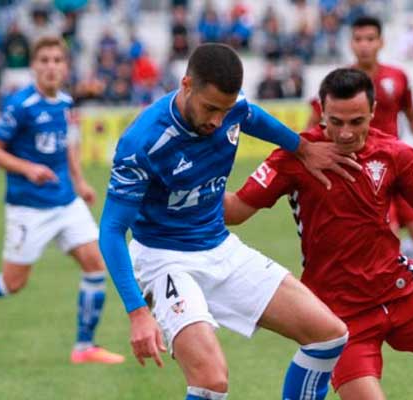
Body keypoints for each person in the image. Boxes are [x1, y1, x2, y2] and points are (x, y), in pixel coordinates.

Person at [224, 68, 413, 400]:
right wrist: (189, 185)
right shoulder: (296, 157)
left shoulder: (395, 154)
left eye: (356, 122)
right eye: (335, 121)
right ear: (321, 113)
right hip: (339, 314)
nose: (344, 133)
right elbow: (237, 210)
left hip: (400, 291)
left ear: (373, 113)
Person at [98, 43, 359, 400]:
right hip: (164, 260)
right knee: (211, 380)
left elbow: (251, 116)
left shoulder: (230, 109)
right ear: (187, 84)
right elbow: (112, 231)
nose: (217, 121)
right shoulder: (142, 143)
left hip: (220, 248)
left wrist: (302, 148)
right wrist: (137, 312)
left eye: (225, 110)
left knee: (329, 335)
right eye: (209, 109)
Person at [0, 36, 124, 365]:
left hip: (66, 203)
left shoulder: (64, 102)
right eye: (44, 60)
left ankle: (84, 347)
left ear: (65, 66)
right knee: (12, 283)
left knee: (96, 264)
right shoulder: (21, 106)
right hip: (28, 208)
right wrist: (28, 168)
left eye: (57, 60)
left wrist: (79, 183)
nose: (51, 66)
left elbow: (68, 145)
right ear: (34, 66)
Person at [307, 16, 413, 265]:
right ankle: (393, 279)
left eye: (370, 39)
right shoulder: (338, 83)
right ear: (351, 44)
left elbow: (412, 116)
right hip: (362, 170)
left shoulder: (398, 76)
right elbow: (314, 122)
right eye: (358, 39)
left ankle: (400, 270)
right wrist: (312, 153)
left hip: (397, 166)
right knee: (386, 234)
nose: (364, 45)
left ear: (381, 42)